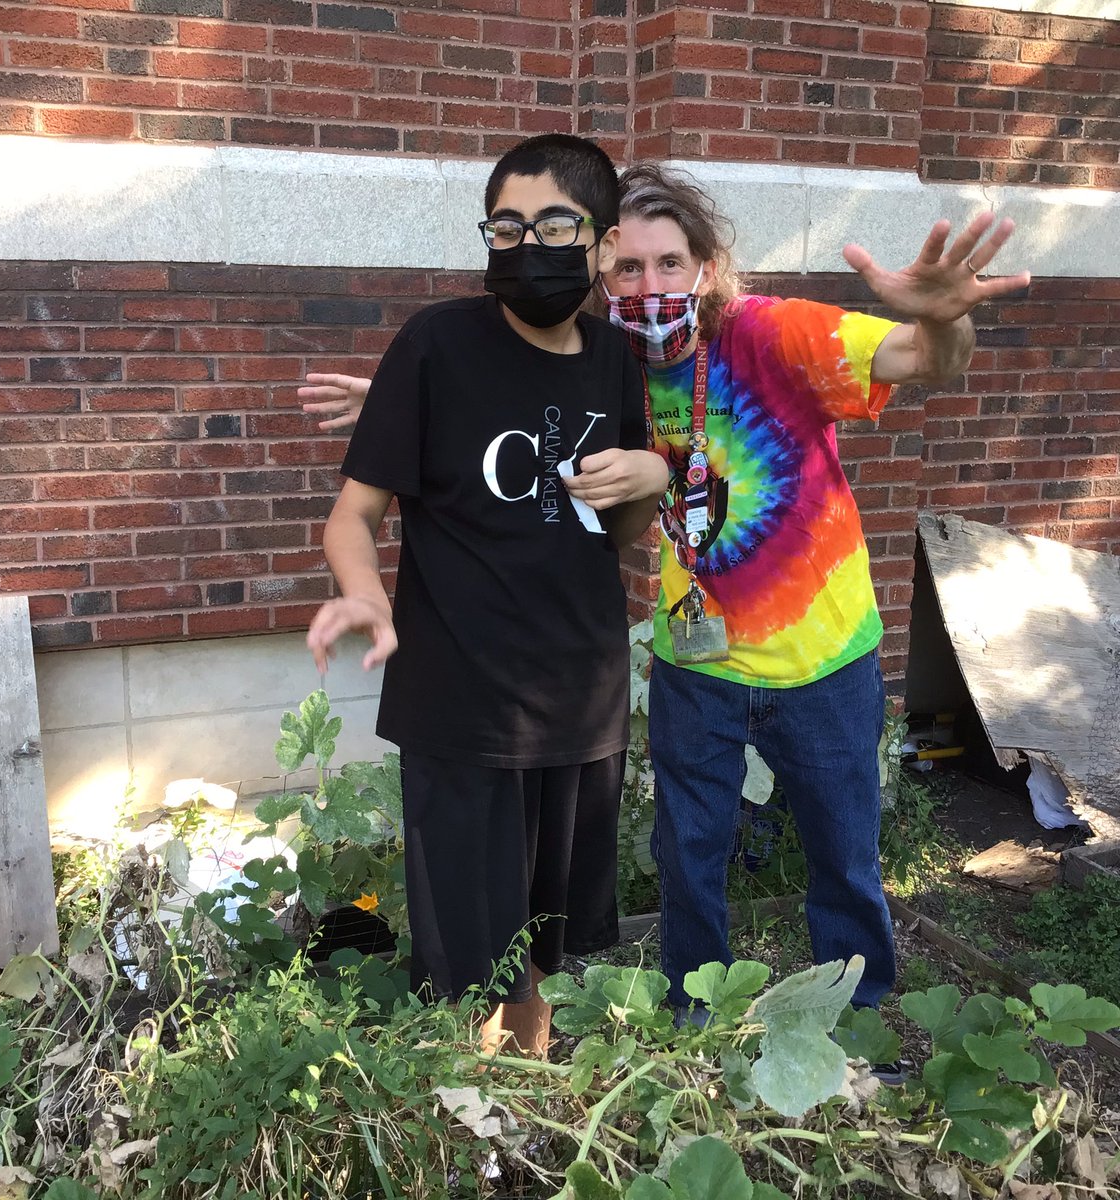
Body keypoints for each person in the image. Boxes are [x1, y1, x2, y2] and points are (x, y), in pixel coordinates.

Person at [301, 162, 1029, 1048]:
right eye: (630, 270)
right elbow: (508, 405)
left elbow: (921, 361)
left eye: (670, 263)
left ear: (708, 266)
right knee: (687, 863)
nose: (650, 287)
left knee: (844, 861)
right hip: (697, 668)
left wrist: (940, 317)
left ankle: (863, 1025)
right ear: (606, 273)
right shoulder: (618, 368)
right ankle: (693, 1023)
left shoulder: (774, 336)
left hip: (822, 661)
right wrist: (395, 403)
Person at [303, 134, 668, 1057]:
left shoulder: (613, 363)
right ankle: (464, 1108)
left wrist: (648, 482)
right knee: (467, 956)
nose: (524, 244)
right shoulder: (435, 345)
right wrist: (367, 598)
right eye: (505, 225)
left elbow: (617, 537)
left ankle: (529, 1102)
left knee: (545, 945)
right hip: (460, 699)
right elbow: (352, 518)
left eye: (552, 223)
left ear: (600, 240)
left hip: (580, 698)